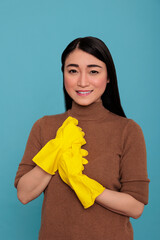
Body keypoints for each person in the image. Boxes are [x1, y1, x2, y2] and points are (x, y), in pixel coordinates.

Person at [14, 36, 150, 240]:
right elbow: (24, 194)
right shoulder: (44, 126)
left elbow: (136, 207)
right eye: (73, 71)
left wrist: (83, 184)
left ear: (108, 76)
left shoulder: (128, 130)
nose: (83, 81)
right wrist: (56, 149)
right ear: (64, 75)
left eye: (94, 71)